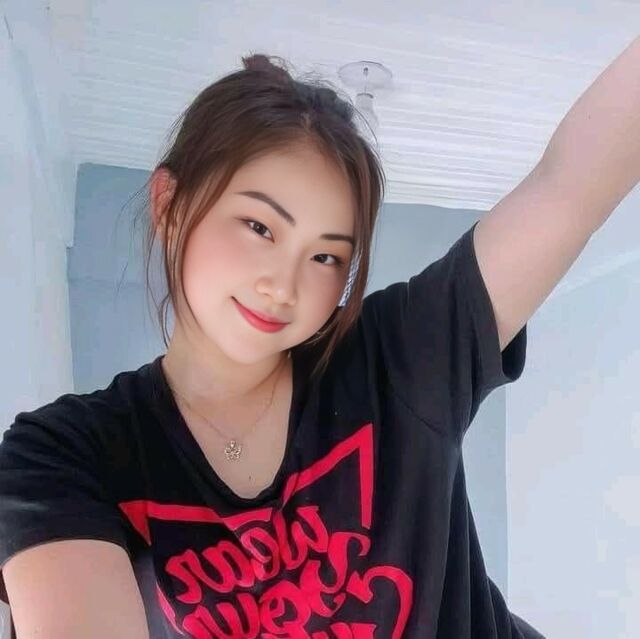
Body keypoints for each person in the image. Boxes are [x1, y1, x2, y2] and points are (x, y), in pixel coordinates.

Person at [1, 38, 638, 637]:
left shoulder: (397, 359)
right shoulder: (66, 454)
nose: (284, 285)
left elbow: (567, 186)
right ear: (169, 204)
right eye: (259, 227)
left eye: (326, 257)